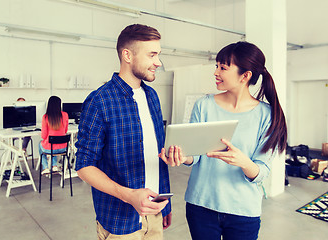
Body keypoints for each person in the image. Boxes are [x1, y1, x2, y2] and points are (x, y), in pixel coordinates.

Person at [159, 41, 287, 240]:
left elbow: (262, 172)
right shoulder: (204, 105)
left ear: (245, 76)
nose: (216, 72)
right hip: (200, 206)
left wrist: (243, 162)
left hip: (243, 212)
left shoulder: (267, 115)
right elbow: (197, 156)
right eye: (216, 66)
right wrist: (183, 157)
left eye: (223, 68)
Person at [75, 24, 172, 239]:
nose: (158, 62)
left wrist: (165, 205)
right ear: (127, 55)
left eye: (158, 55)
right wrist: (129, 196)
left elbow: (157, 155)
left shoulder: (152, 96)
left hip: (155, 210)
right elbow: (83, 166)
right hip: (119, 221)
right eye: (152, 55)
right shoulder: (99, 101)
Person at [39, 96, 68, 175]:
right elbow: (65, 131)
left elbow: (43, 136)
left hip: (50, 149)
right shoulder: (65, 115)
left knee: (41, 144)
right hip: (63, 148)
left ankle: (45, 167)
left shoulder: (45, 117)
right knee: (54, 143)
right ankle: (54, 166)